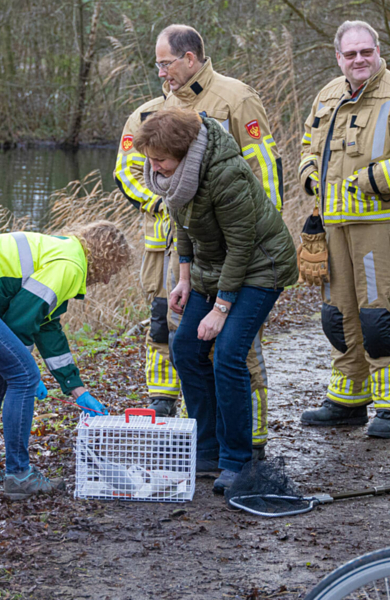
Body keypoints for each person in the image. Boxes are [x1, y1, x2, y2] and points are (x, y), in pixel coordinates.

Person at [114, 25, 281, 462]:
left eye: (165, 63)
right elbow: (127, 173)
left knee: (235, 347)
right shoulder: (150, 111)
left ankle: (249, 441)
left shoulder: (234, 99)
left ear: (190, 58)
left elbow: (263, 170)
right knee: (171, 334)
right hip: (172, 248)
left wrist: (264, 233)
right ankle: (195, 436)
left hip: (234, 246)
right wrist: (166, 204)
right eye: (157, 65)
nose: (160, 72)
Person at [133, 107, 298, 494]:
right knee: (187, 348)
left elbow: (242, 246)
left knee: (227, 353)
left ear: (183, 151)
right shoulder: (174, 176)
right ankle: (206, 450)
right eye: (150, 159)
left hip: (261, 266)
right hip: (213, 269)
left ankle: (238, 460)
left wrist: (221, 310)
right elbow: (182, 223)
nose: (152, 167)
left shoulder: (227, 173)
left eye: (159, 159)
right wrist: (185, 280)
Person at [0, 223, 131, 499]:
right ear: (105, 260)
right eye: (111, 272)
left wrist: (77, 389)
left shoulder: (63, 251)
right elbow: (23, 316)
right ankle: (19, 475)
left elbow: (46, 326)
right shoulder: (70, 265)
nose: (105, 280)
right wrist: (27, 370)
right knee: (22, 376)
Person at [297, 20, 390, 438]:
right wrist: (308, 175)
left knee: (378, 319)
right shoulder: (327, 95)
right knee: (337, 317)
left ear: (378, 51)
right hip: (335, 228)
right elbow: (308, 143)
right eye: (350, 54)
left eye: (366, 52)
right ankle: (348, 401)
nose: (359, 60)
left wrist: (375, 179)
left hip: (381, 226)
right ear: (338, 57)